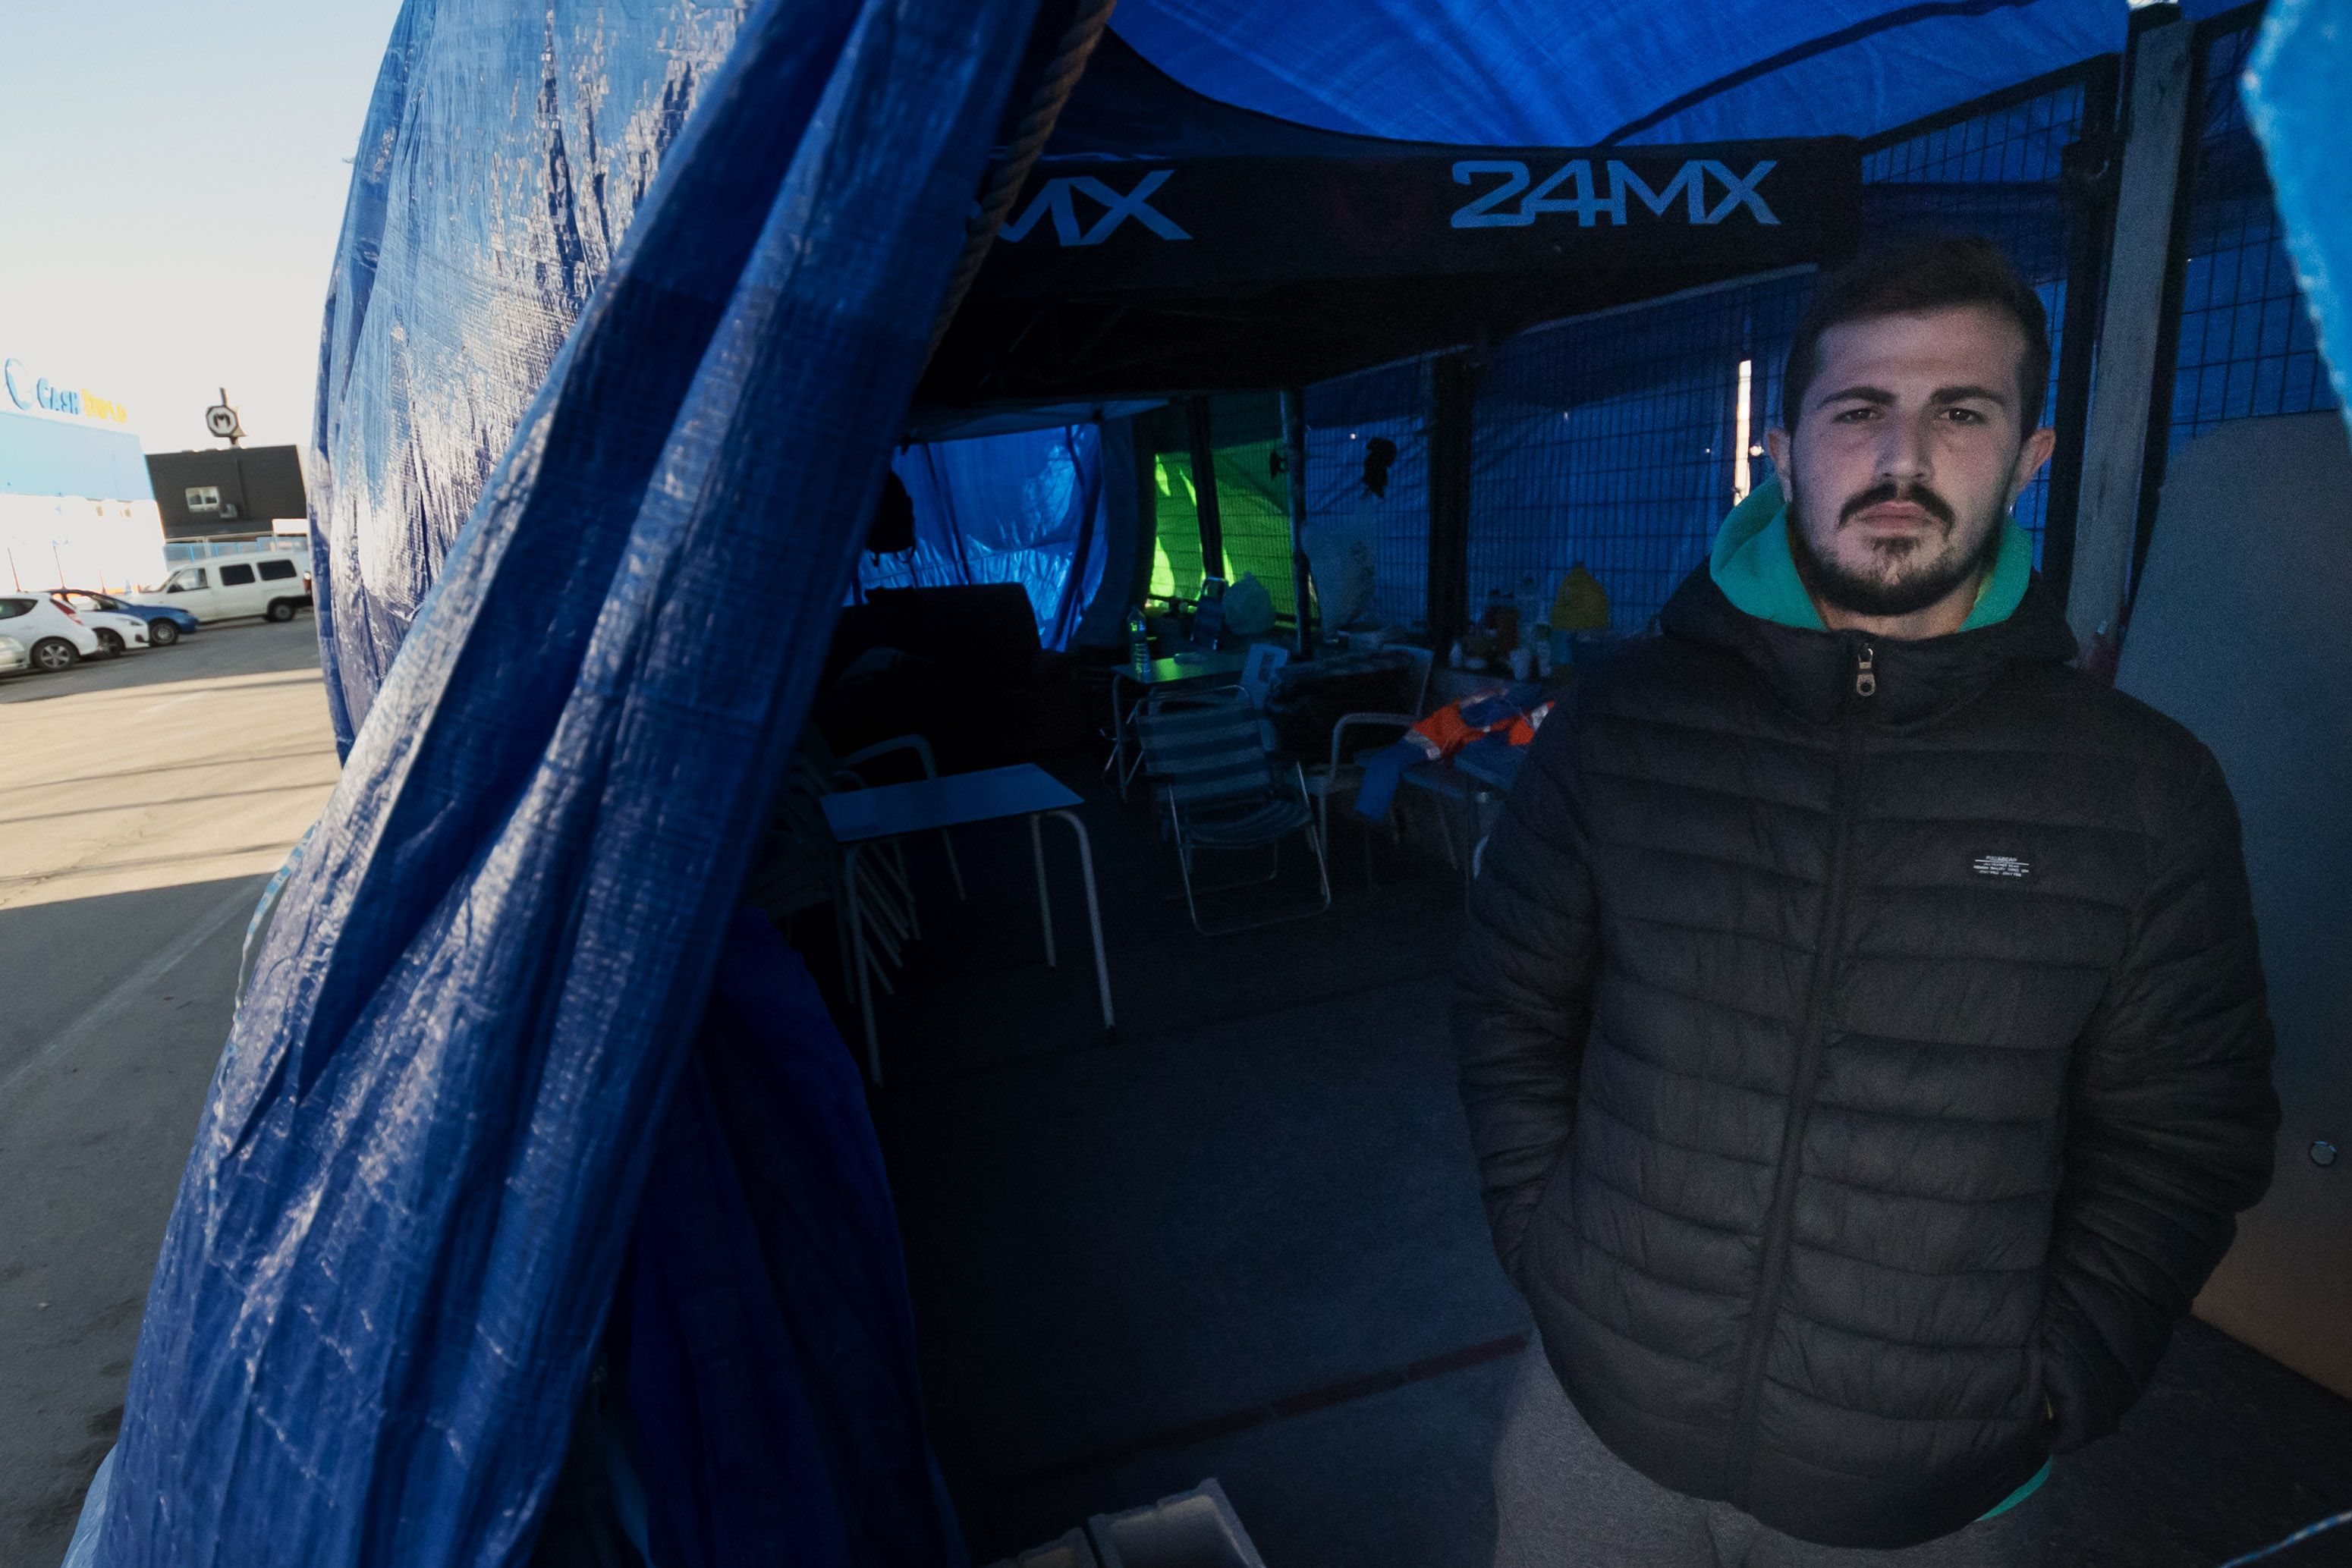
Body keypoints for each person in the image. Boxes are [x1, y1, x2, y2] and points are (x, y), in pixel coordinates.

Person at [1455, 235, 2278, 1566]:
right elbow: (1513, 1002)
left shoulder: (2145, 792)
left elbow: (2189, 1129)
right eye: (1859, 410)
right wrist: (1548, 1245)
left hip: (1927, 1497)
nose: (1904, 458)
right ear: (1781, 444)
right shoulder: (1622, 722)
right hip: (1594, 1430)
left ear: (2032, 452)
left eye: (1961, 412)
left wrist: (2055, 1377)